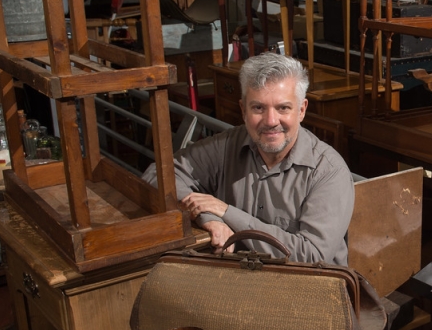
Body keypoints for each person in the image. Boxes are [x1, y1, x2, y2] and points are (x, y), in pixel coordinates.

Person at [143, 53, 355, 264]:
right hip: (240, 284)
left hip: (308, 290)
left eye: (283, 108)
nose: (271, 121)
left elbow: (311, 257)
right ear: (243, 110)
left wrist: (226, 212)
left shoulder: (328, 171)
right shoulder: (225, 147)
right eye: (258, 108)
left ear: (301, 110)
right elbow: (157, 175)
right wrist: (208, 217)